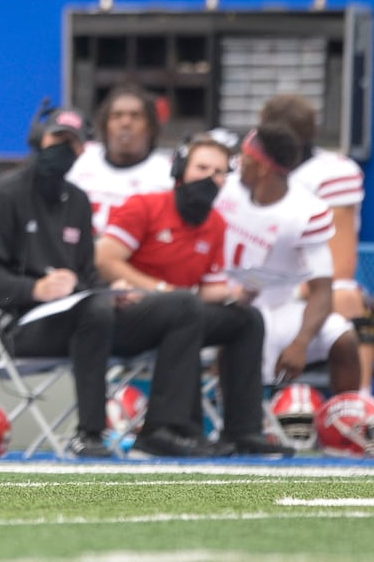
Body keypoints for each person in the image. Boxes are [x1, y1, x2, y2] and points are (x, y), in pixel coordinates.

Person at [0, 106, 212, 459]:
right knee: (94, 310)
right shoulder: (5, 194)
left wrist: (110, 291)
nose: (63, 149)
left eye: (73, 143)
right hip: (20, 325)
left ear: (83, 151)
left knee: (183, 306)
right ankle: (91, 432)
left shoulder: (78, 201)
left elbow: (86, 275)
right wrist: (35, 289)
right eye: (57, 139)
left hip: (84, 317)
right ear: (39, 139)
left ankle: (161, 429)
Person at [96, 135, 293, 457]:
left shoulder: (214, 223)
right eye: (202, 167)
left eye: (218, 172)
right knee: (184, 305)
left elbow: (207, 290)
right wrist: (160, 290)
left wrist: (237, 292)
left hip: (180, 318)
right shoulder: (144, 206)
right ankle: (162, 431)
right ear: (180, 169)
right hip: (125, 314)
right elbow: (104, 260)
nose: (210, 178)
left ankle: (244, 431)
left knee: (246, 319)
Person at [214, 122, 362, 397]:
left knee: (342, 336)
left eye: (245, 157)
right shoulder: (224, 189)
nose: (238, 163)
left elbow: (322, 290)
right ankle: (232, 425)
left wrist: (301, 342)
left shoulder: (306, 211)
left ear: (261, 167)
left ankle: (347, 422)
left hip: (277, 307)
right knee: (246, 328)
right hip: (218, 297)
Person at [258, 93, 372, 395]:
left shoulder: (332, 172)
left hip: (304, 285)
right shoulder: (248, 170)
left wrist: (293, 287)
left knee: (346, 296)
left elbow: (341, 264)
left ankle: (356, 405)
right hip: (252, 282)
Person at [65, 84, 175, 236]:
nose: (126, 123)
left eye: (135, 116)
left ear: (150, 126)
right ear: (105, 125)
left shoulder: (166, 175)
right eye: (117, 116)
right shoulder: (81, 161)